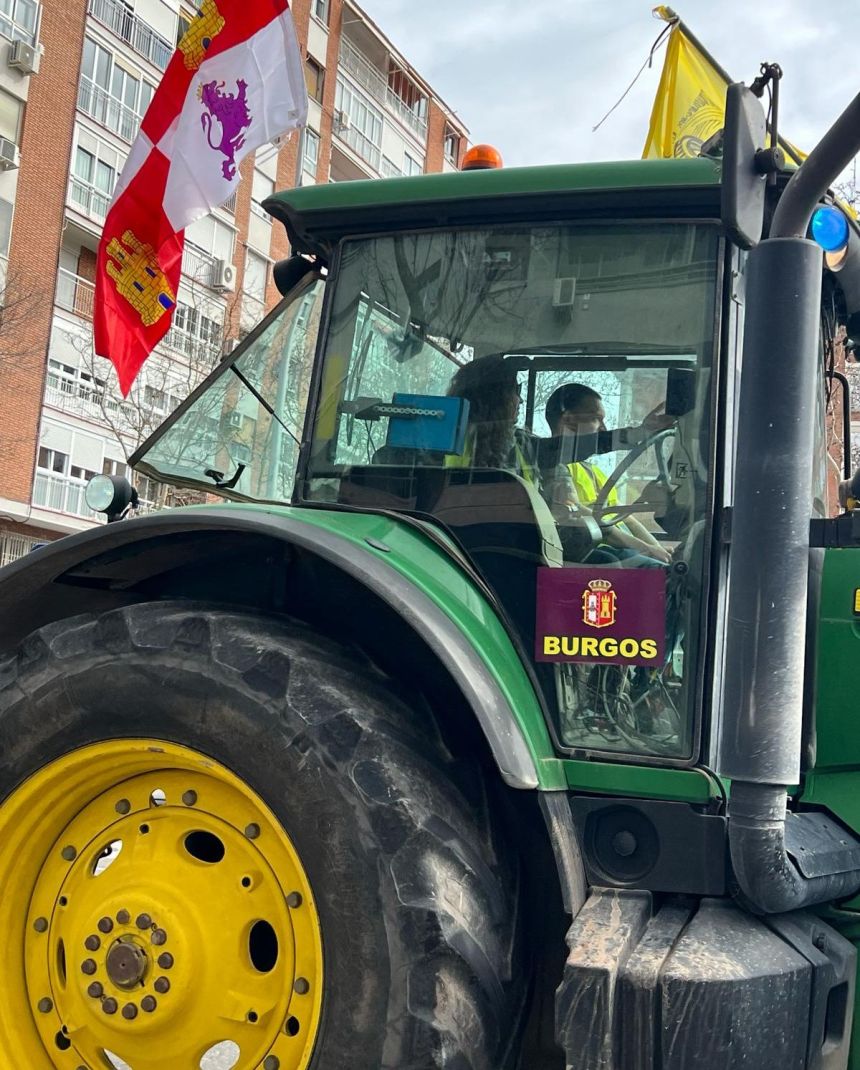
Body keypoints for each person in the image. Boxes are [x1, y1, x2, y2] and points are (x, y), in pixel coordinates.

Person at [544, 383, 672, 564]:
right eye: (596, 418)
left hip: (626, 547)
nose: (603, 428)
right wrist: (646, 550)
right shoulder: (552, 466)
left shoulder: (593, 471)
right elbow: (587, 518)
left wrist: (656, 549)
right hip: (597, 550)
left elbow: (627, 518)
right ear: (569, 420)